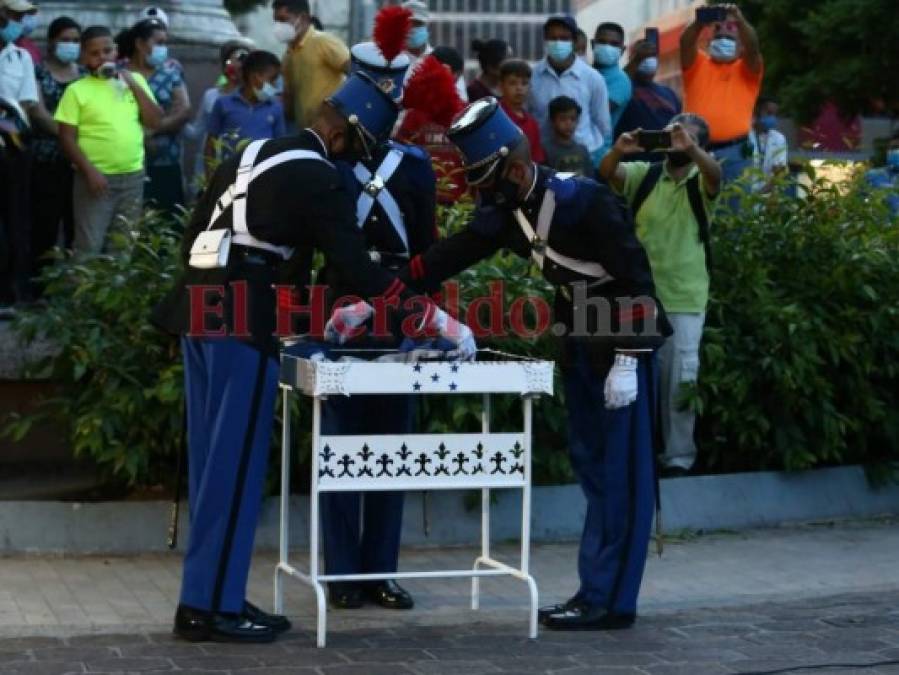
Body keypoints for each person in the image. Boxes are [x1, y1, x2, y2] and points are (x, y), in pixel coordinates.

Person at [152, 72, 474, 644]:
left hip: (196, 309)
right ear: (348, 136)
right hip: (242, 318)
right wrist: (428, 317)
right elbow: (357, 268)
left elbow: (194, 236)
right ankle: (210, 611)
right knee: (235, 471)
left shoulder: (252, 151)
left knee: (210, 470)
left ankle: (209, 595)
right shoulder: (321, 176)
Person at [396, 98, 669, 630]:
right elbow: (450, 255)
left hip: (622, 350)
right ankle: (596, 589)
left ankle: (611, 600)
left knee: (622, 478)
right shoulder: (510, 211)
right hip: (581, 344)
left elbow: (638, 280)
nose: (482, 194)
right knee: (594, 472)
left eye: (487, 180)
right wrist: (381, 290)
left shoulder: (585, 201)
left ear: (516, 170)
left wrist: (631, 359)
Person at [320, 32, 438, 612]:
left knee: (393, 445)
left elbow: (429, 247)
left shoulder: (415, 166)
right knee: (339, 443)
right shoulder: (328, 161)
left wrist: (431, 322)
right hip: (343, 309)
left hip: (399, 311)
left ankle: (381, 570)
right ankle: (342, 574)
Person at [600, 113, 720, 477]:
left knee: (680, 381)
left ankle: (679, 460)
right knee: (634, 380)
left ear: (700, 144)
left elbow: (716, 175)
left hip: (685, 298)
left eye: (687, 136)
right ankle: (640, 457)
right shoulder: (646, 174)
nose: (678, 140)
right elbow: (606, 173)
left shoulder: (704, 180)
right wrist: (619, 150)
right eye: (673, 134)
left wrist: (693, 148)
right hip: (641, 298)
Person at [55, 26, 162, 254]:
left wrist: (132, 84)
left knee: (123, 247)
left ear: (116, 51)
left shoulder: (135, 81)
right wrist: (89, 171)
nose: (102, 57)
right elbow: (66, 138)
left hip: (132, 177)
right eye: (94, 53)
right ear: (84, 58)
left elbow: (155, 121)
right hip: (95, 180)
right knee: (89, 248)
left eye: (107, 51)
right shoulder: (76, 91)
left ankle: (115, 291)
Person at [680, 3, 763, 184]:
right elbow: (685, 44)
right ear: (709, 41)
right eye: (718, 32)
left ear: (740, 45)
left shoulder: (747, 71)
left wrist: (740, 21)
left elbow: (753, 48)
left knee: (734, 209)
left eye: (730, 33)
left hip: (735, 154)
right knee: (695, 208)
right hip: (695, 151)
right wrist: (699, 22)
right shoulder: (697, 64)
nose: (723, 36)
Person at [118, 18, 192, 218]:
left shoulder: (170, 74)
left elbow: (184, 110)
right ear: (140, 44)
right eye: (158, 43)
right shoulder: (119, 74)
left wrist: (153, 130)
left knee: (166, 223)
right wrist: (139, 134)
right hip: (126, 163)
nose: (163, 48)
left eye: (165, 43)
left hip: (166, 160)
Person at [28, 15, 82, 281]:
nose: (71, 45)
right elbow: (36, 110)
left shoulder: (85, 75)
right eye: (65, 40)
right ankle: (39, 288)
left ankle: (72, 287)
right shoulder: (38, 71)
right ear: (51, 42)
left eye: (75, 40)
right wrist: (67, 137)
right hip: (45, 159)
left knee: (77, 226)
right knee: (44, 226)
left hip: (79, 163)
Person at [528, 15, 610, 170]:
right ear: (545, 40)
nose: (558, 43)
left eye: (564, 38)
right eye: (553, 38)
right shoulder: (533, 77)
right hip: (544, 163)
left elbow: (603, 127)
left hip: (584, 162)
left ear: (574, 41)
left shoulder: (593, 78)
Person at [1, 0, 39, 309]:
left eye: (18, 16)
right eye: (10, 14)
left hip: (12, 147)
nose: (16, 21)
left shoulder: (21, 57)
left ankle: (13, 293)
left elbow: (27, 102)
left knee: (16, 219)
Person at [395, 53, 466, 205]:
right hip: (422, 199)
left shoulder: (466, 112)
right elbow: (401, 153)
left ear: (457, 76)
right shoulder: (415, 114)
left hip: (460, 202)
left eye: (445, 72)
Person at [184, 40, 252, 194]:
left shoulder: (254, 100)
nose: (237, 67)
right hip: (210, 166)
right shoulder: (211, 96)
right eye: (232, 61)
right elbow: (196, 132)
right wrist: (179, 118)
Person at [205, 50, 286, 171]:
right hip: (229, 176)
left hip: (262, 177)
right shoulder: (223, 104)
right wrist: (210, 178)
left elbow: (280, 148)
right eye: (272, 80)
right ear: (255, 77)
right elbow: (210, 144)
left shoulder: (275, 108)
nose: (274, 87)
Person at [274, 0, 349, 130]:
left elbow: (354, 71)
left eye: (283, 19)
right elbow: (290, 100)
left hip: (333, 131)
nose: (279, 26)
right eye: (276, 21)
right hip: (306, 133)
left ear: (302, 17)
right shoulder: (288, 56)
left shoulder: (323, 42)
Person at [615, 38, 682, 163]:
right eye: (642, 56)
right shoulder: (623, 89)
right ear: (632, 59)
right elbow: (616, 87)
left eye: (652, 56)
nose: (648, 60)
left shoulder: (669, 94)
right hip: (631, 164)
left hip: (665, 163)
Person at [401, 1, 467, 103]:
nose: (412, 29)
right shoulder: (394, 62)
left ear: (427, 26)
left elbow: (460, 99)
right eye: (408, 25)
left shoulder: (444, 58)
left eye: (418, 24)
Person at [498, 59, 545, 164]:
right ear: (501, 86)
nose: (519, 88)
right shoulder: (495, 118)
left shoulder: (532, 124)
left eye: (524, 83)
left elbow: (536, 160)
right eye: (512, 83)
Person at [592, 22, 631, 146]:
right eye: (602, 42)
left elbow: (597, 111)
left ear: (622, 50)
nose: (607, 47)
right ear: (593, 44)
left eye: (614, 44)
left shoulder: (621, 80)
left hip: (598, 152)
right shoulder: (583, 72)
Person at [543, 96, 592, 177]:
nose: (568, 123)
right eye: (563, 119)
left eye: (573, 119)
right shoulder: (545, 150)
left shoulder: (583, 150)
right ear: (552, 121)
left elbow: (590, 180)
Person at [748, 95, 788, 189]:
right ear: (757, 112)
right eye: (769, 113)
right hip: (744, 194)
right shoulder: (743, 135)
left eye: (775, 114)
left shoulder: (778, 138)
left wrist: (764, 192)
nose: (772, 118)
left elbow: (779, 171)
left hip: (765, 195)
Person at [865, 130, 899, 218]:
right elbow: (855, 204)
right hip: (877, 229)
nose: (897, 151)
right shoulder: (872, 176)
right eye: (894, 147)